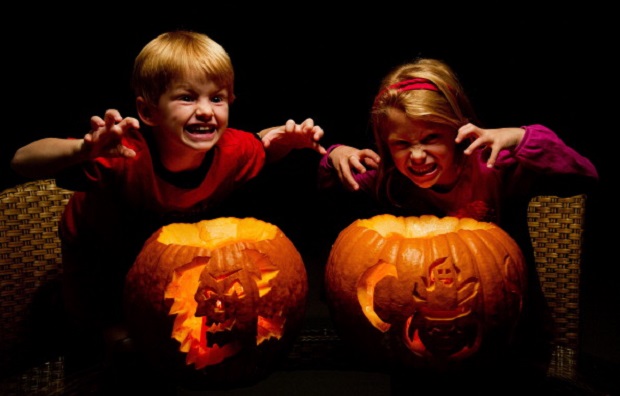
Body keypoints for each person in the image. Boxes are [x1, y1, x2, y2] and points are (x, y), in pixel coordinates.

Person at [10, 30, 326, 379]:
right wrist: (83, 150)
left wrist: (287, 139)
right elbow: (21, 160)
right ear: (148, 111)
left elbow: (264, 148)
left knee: (174, 336)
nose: (206, 111)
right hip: (100, 258)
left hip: (158, 258)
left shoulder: (233, 151)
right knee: (124, 350)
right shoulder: (124, 153)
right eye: (187, 98)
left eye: (217, 98)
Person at [317, 57, 598, 391]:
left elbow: (582, 172)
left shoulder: (491, 166)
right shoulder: (390, 180)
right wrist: (334, 154)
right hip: (419, 335)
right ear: (385, 144)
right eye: (402, 144)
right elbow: (328, 184)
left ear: (458, 131)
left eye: (431, 138)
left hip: (497, 329)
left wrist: (521, 137)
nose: (417, 155)